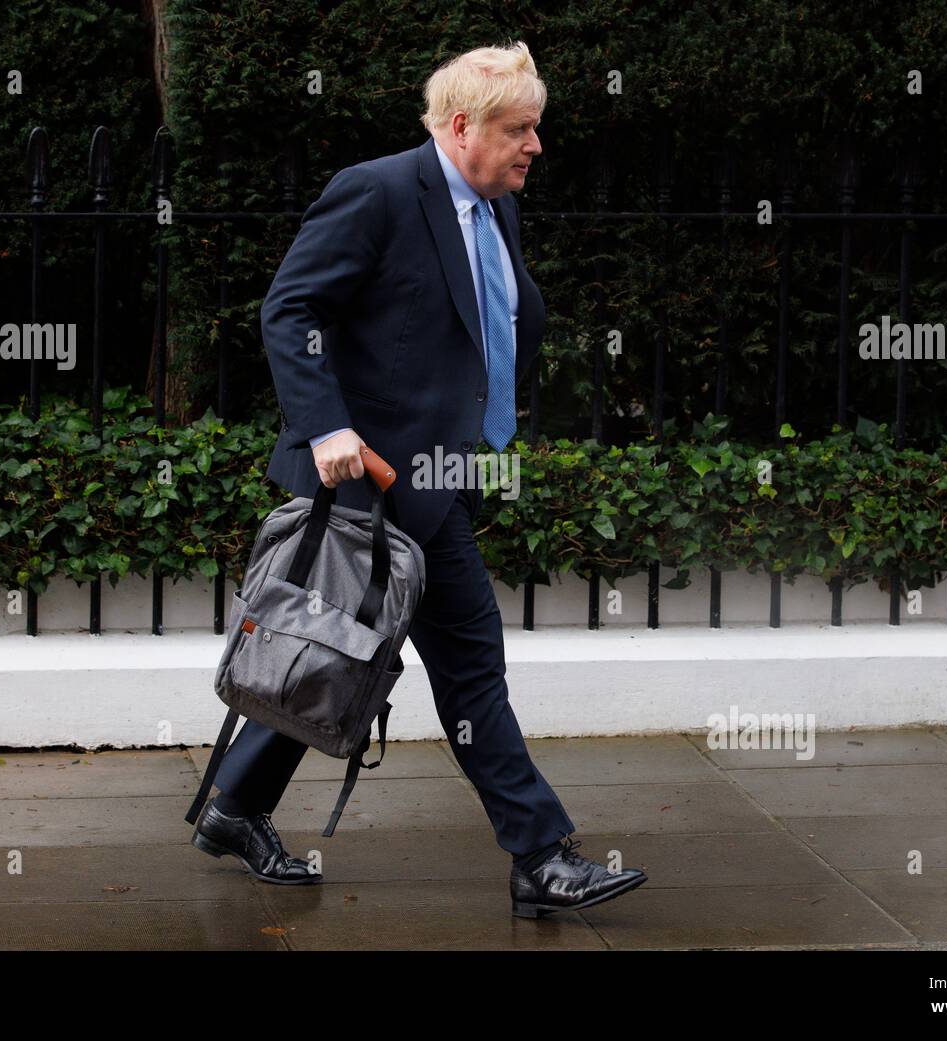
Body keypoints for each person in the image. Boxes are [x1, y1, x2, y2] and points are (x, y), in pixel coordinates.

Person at [191, 40, 647, 918]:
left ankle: (235, 808)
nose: (535, 147)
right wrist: (328, 425)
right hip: (369, 483)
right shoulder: (381, 190)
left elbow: (487, 317)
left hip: (437, 480)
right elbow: (291, 307)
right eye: (520, 128)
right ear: (463, 125)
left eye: (536, 128)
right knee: (461, 669)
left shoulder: (492, 203)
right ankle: (541, 855)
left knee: (341, 654)